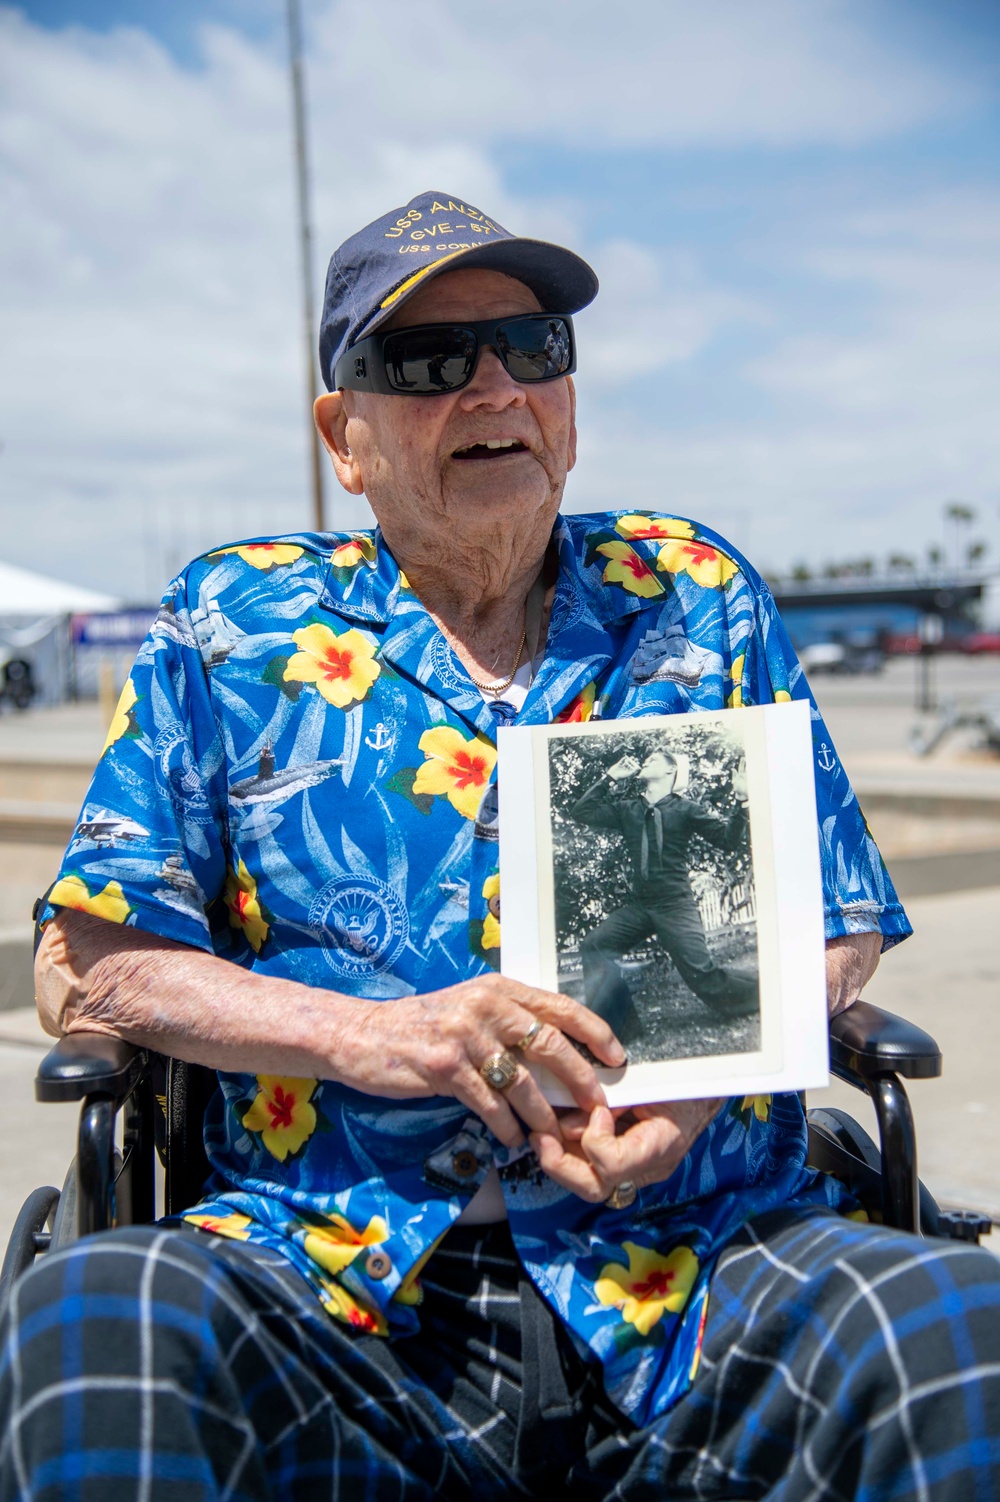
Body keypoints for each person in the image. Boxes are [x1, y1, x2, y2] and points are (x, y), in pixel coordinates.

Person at [2, 189, 998, 1501]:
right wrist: (383, 1036)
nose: (493, 387)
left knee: (952, 1328)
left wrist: (689, 1088)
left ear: (567, 399)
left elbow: (838, 914)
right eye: (426, 362)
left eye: (532, 348)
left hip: (701, 1257)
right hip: (328, 1274)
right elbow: (95, 962)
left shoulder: (690, 595)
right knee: (97, 1319)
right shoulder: (233, 624)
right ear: (340, 437)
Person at [571, 748, 757, 1041]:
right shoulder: (627, 809)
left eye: (654, 760)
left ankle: (762, 991)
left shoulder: (687, 809)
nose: (645, 762)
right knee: (595, 945)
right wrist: (610, 777)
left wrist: (742, 799)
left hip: (675, 904)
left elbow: (728, 841)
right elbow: (582, 811)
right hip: (640, 907)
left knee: (703, 976)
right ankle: (619, 1030)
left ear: (671, 771)